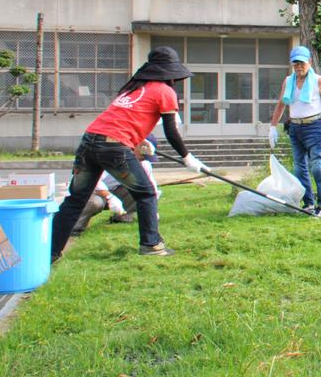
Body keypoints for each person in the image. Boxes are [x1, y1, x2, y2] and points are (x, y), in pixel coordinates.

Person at [51, 47, 208, 260]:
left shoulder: (133, 88)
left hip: (90, 141)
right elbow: (171, 131)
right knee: (146, 194)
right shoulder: (165, 91)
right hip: (113, 146)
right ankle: (151, 245)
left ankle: (49, 251)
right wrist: (187, 157)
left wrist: (139, 140)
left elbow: (122, 119)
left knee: (76, 200)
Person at [268, 46, 321, 216]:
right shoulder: (289, 81)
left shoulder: (317, 80)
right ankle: (308, 203)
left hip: (313, 126)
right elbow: (281, 104)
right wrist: (272, 127)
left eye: (302, 63)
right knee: (299, 168)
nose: (299, 67)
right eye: (296, 63)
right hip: (295, 127)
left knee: (316, 166)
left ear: (309, 62)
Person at [70, 135, 159, 235]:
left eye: (145, 157)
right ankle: (74, 228)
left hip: (116, 190)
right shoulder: (112, 156)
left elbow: (150, 188)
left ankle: (122, 217)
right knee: (95, 203)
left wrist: (153, 209)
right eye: (142, 155)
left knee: (141, 192)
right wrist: (110, 197)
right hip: (93, 192)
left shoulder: (144, 164)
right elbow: (95, 182)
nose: (143, 159)